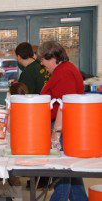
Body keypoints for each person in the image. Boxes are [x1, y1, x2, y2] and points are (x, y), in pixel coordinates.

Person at [39, 41, 87, 201]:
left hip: (64, 127)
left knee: (62, 171)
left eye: (43, 59)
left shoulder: (63, 72)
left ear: (52, 57)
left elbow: (64, 104)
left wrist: (56, 132)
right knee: (70, 170)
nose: (41, 63)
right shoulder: (64, 69)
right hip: (68, 126)